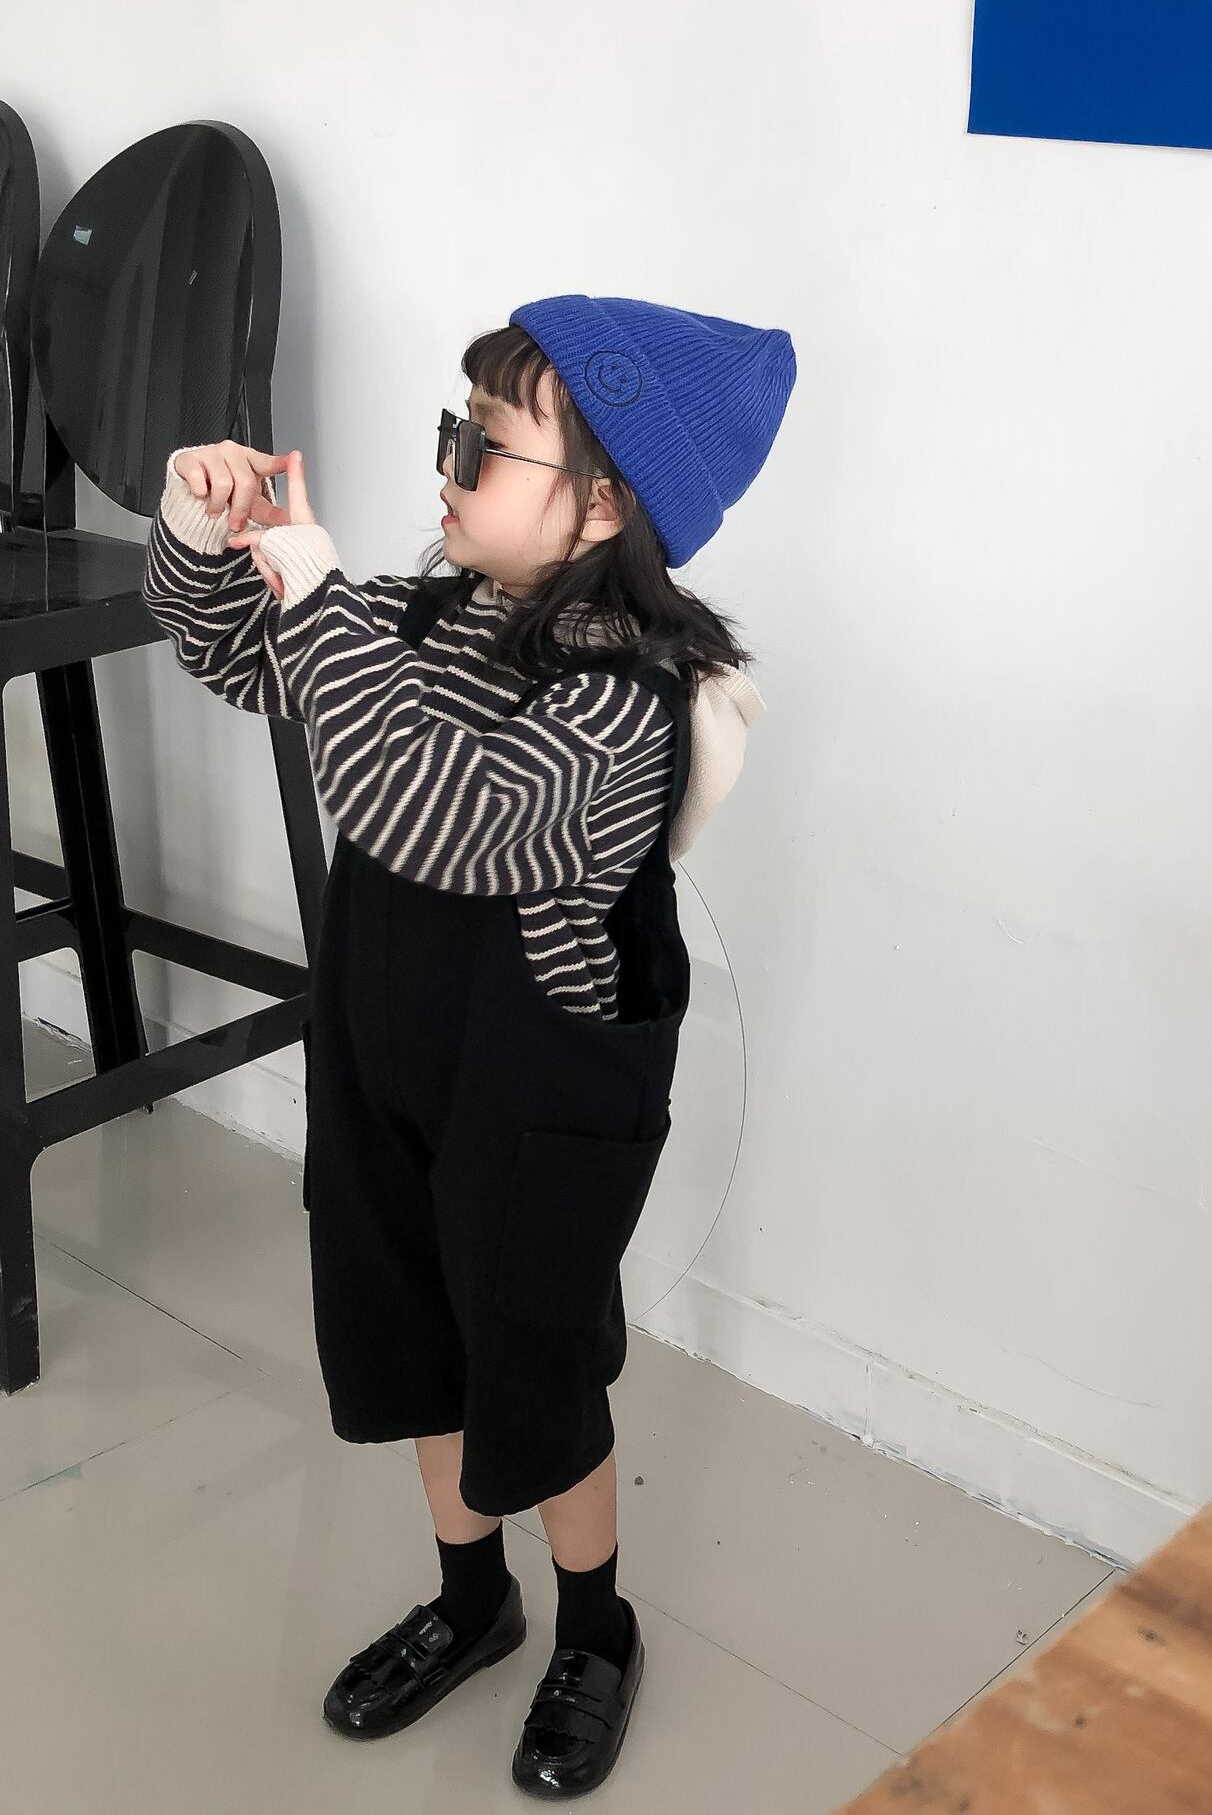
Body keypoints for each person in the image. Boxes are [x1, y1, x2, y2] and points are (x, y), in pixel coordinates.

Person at [140, 294, 793, 1798]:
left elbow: (422, 806)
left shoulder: (625, 707)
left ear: (604, 504)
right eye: (456, 432)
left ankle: (596, 1628)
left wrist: (318, 598)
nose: (447, 468)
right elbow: (242, 654)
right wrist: (208, 529)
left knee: (531, 1365)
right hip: (389, 1061)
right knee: (417, 1337)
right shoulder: (426, 619)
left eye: (484, 447)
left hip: (539, 1100)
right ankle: (470, 1597)